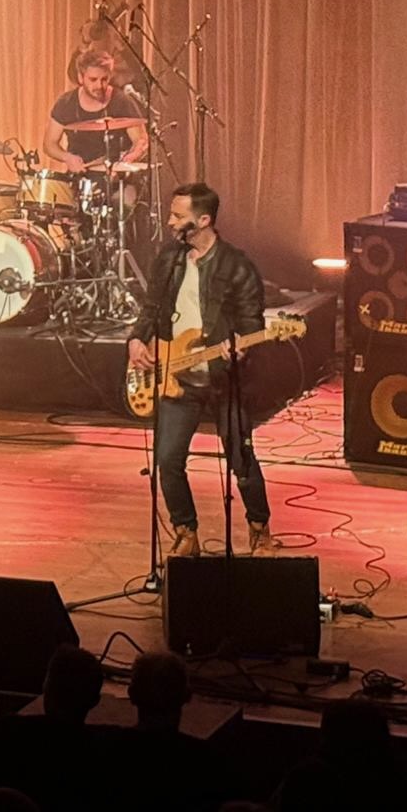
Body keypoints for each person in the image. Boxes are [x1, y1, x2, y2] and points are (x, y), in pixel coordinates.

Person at [127, 183, 275, 558]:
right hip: (177, 376)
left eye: (178, 216)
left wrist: (238, 347)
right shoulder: (170, 259)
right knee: (167, 460)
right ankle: (185, 531)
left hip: (224, 380)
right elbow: (151, 308)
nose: (170, 222)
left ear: (203, 220)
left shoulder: (236, 266)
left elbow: (251, 322)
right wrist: (137, 339)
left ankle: (259, 529)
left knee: (241, 459)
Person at [42, 48, 148, 173]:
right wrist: (67, 157)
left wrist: (129, 159)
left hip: (116, 177)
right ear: (80, 78)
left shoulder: (122, 102)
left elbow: (140, 141)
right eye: (93, 79)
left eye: (104, 79)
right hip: (79, 176)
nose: (99, 85)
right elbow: (49, 144)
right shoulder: (66, 103)